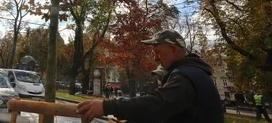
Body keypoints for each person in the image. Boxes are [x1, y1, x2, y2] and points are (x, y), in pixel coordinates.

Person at [77, 29, 224, 123]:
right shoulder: (193, 72)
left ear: (173, 49)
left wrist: (106, 106)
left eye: (158, 52)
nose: (155, 58)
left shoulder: (186, 75)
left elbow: (157, 105)